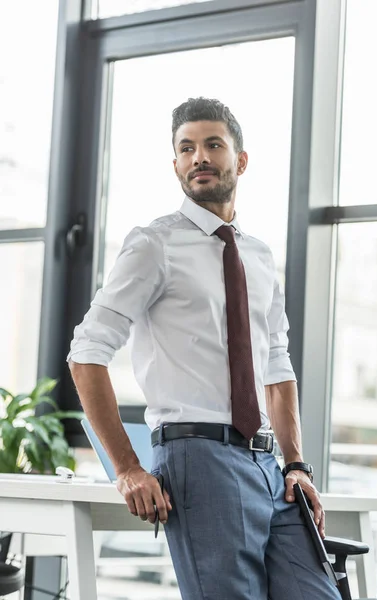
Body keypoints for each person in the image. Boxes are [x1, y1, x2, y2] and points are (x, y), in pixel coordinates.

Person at [67, 97, 341, 600]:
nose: (199, 158)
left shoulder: (258, 256)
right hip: (198, 459)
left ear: (240, 160)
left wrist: (297, 464)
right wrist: (128, 467)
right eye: (186, 148)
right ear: (175, 164)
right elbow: (87, 352)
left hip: (270, 468)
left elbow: (276, 366)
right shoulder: (154, 244)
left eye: (213, 144)